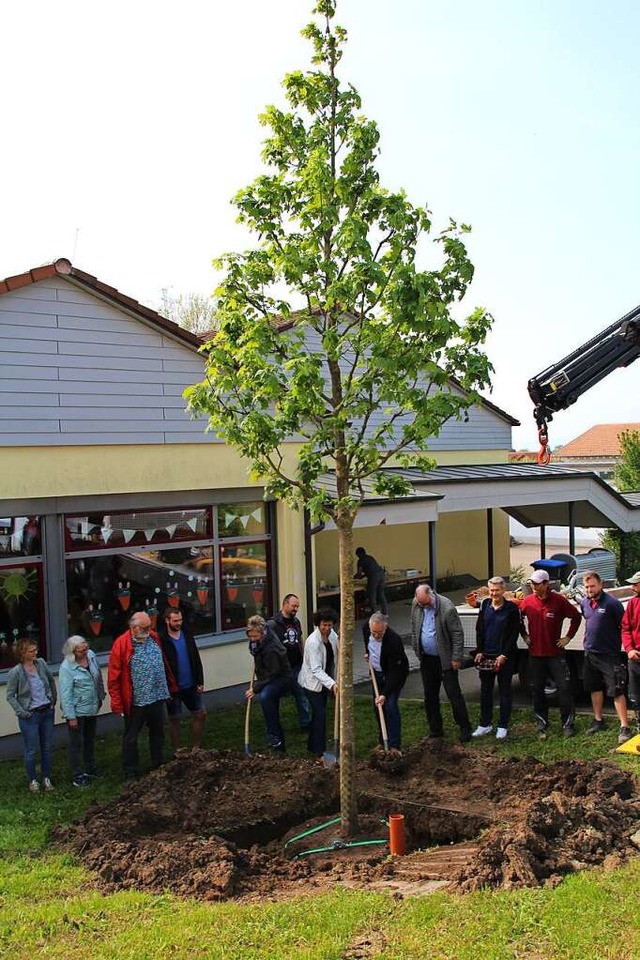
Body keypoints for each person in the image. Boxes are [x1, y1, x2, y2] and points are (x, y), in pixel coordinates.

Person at [107, 611, 177, 779]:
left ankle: (157, 764)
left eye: (150, 626)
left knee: (157, 731)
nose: (149, 629)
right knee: (131, 735)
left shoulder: (153, 637)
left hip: (156, 695)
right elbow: (114, 677)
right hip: (136, 700)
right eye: (145, 627)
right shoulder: (122, 644)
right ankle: (130, 770)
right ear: (134, 627)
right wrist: (117, 703)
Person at [519, 569, 581, 738]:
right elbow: (517, 617)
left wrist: (568, 637)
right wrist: (524, 635)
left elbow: (576, 617)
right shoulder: (528, 601)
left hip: (555, 654)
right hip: (535, 655)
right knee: (537, 690)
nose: (533, 586)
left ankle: (567, 724)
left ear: (546, 584)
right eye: (532, 583)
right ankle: (541, 723)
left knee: (564, 689)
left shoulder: (559, 601)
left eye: (537, 584)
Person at [410, 583, 472, 742]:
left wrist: (456, 657)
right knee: (430, 696)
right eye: (419, 603)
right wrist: (417, 649)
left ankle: (464, 727)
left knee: (453, 694)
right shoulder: (417, 604)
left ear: (431, 595)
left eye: (424, 603)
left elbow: (457, 634)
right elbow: (414, 626)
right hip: (427, 659)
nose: (421, 606)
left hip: (445, 660)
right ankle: (435, 729)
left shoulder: (447, 608)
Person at [579, 571, 631, 745]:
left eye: (592, 586)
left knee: (617, 690)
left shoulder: (612, 604)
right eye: (587, 587)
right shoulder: (585, 603)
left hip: (609, 655)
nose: (589, 589)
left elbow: (623, 626)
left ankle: (624, 726)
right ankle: (598, 720)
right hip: (590, 653)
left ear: (601, 585)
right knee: (595, 688)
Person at [472, 577, 521, 741]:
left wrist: (504, 654)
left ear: (503, 590)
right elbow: (480, 628)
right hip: (487, 655)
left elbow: (513, 634)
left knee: (504, 691)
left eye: (497, 590)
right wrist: (480, 650)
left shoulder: (512, 609)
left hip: (504, 657)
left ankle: (502, 725)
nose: (494, 593)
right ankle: (485, 724)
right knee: (485, 691)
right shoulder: (485, 605)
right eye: (491, 590)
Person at [6, 638, 57, 792]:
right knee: (31, 749)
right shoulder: (16, 672)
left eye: (36, 649)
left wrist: (53, 700)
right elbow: (10, 695)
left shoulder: (40, 663)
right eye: (31, 650)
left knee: (47, 747)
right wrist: (22, 712)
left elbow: (50, 681)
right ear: (22, 653)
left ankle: (46, 777)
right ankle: (33, 780)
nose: (36, 652)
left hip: (46, 711)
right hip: (30, 716)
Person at [58, 635, 105, 786]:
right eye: (81, 651)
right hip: (77, 711)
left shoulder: (91, 656)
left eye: (86, 648)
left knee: (90, 740)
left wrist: (100, 696)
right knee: (77, 743)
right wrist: (71, 717)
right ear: (72, 652)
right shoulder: (66, 667)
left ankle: (91, 768)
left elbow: (98, 677)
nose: (85, 652)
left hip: (91, 706)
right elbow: (66, 694)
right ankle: (77, 775)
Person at [159, 608, 207, 752]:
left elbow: (195, 658)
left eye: (180, 620)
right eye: (175, 621)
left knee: (201, 714)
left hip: (191, 684)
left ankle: (196, 747)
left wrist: (200, 680)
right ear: (167, 620)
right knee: (174, 719)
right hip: (173, 687)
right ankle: (178, 750)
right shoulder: (162, 639)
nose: (179, 623)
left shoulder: (187, 634)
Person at [245, 614, 292, 754]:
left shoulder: (272, 648)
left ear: (262, 633)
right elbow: (255, 649)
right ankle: (276, 741)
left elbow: (273, 673)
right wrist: (255, 650)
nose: (252, 639)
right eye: (250, 636)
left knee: (266, 696)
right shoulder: (258, 639)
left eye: (255, 636)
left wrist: (256, 688)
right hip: (268, 675)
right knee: (270, 703)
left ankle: (275, 737)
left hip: (281, 677)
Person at [363, 612, 409, 752]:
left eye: (379, 633)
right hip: (377, 672)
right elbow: (368, 644)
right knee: (378, 708)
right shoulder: (366, 628)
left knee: (390, 706)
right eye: (374, 632)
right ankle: (382, 741)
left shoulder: (394, 641)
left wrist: (385, 693)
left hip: (394, 675)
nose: (376, 636)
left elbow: (395, 673)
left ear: (386, 627)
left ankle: (394, 745)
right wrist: (368, 655)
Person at [297, 608, 339, 760]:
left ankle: (312, 746)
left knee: (318, 715)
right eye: (324, 625)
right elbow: (315, 669)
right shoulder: (313, 642)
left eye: (329, 625)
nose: (327, 628)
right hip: (312, 684)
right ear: (318, 624)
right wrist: (332, 684)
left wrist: (337, 680)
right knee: (320, 715)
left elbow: (338, 655)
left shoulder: (333, 635)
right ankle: (319, 752)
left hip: (326, 681)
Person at [268, 594, 311, 730]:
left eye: (297, 606)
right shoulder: (273, 624)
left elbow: (300, 639)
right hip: (280, 668)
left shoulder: (296, 622)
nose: (296, 609)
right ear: (285, 604)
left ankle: (306, 723)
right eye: (293, 606)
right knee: (275, 697)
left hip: (296, 665)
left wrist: (304, 657)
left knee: (301, 694)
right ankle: (274, 726)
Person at [621, 570, 640, 734]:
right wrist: (629, 649)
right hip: (635, 658)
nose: (632, 587)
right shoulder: (633, 604)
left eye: (635, 584)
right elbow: (626, 629)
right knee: (635, 696)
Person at [355, 547, 388, 615]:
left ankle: (373, 613)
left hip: (374, 577)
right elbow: (371, 569)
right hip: (381, 575)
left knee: (372, 595)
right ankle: (385, 612)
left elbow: (359, 574)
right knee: (381, 594)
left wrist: (355, 577)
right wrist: (364, 576)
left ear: (358, 554)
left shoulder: (361, 560)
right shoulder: (370, 557)